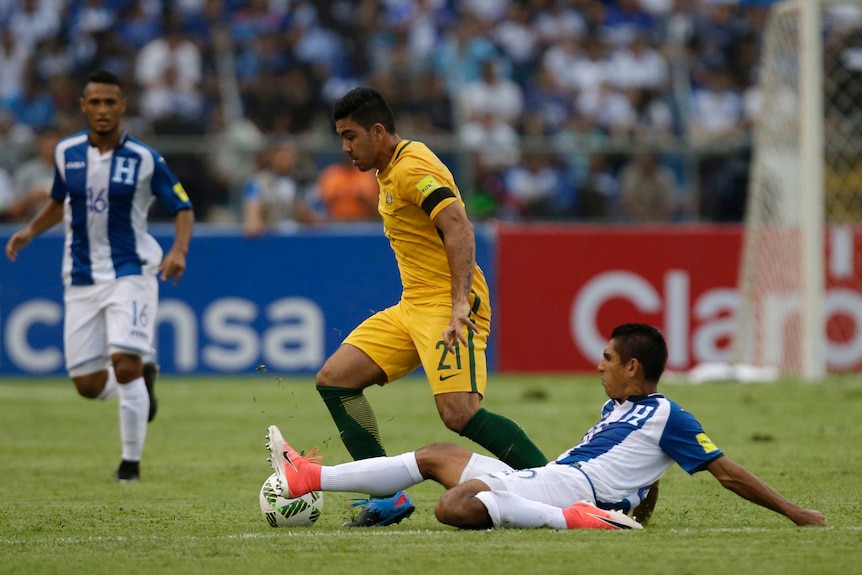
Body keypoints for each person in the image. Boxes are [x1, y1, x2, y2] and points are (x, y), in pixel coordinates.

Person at [267, 323, 827, 531]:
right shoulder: (619, 412)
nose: (598, 364)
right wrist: (640, 508)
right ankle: (307, 479)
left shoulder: (667, 414)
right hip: (552, 476)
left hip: (569, 492)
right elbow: (644, 472)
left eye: (607, 357)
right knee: (438, 452)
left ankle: (572, 523)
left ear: (634, 367)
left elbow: (726, 473)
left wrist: (795, 513)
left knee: (454, 506)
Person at [314, 86, 548, 527]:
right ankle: (387, 498)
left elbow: (458, 225)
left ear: (378, 131)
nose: (345, 148)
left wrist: (460, 303)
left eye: (350, 136)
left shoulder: (413, 167)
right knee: (335, 381)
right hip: (413, 306)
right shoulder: (388, 169)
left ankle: (563, 485)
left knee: (459, 414)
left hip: (447, 306)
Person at [4, 69, 194, 482]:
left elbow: (182, 205)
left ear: (123, 106)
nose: (104, 110)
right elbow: (58, 202)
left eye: (111, 102)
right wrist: (29, 231)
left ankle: (130, 465)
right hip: (81, 275)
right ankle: (143, 384)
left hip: (131, 271)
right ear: (84, 106)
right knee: (87, 384)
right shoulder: (66, 152)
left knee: (124, 363)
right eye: (96, 102)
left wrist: (178, 250)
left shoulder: (144, 158)